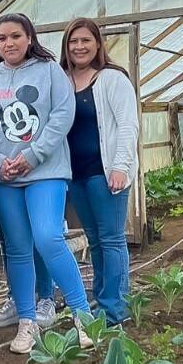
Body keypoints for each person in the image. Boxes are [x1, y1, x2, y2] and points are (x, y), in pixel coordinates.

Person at [0, 12, 94, 355]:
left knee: (48, 237)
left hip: (45, 172)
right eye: (2, 38)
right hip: (3, 177)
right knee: (18, 248)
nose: (9, 43)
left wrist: (33, 155)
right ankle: (27, 321)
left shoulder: (50, 71)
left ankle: (83, 314)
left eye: (15, 36)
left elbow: (62, 115)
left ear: (30, 38)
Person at [60, 18, 139, 326]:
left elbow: (127, 125)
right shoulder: (61, 81)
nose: (79, 47)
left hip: (105, 173)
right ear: (66, 48)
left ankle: (115, 308)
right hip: (76, 174)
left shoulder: (112, 79)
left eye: (85, 41)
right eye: (73, 42)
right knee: (94, 240)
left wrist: (121, 166)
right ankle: (102, 300)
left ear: (97, 44)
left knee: (111, 239)